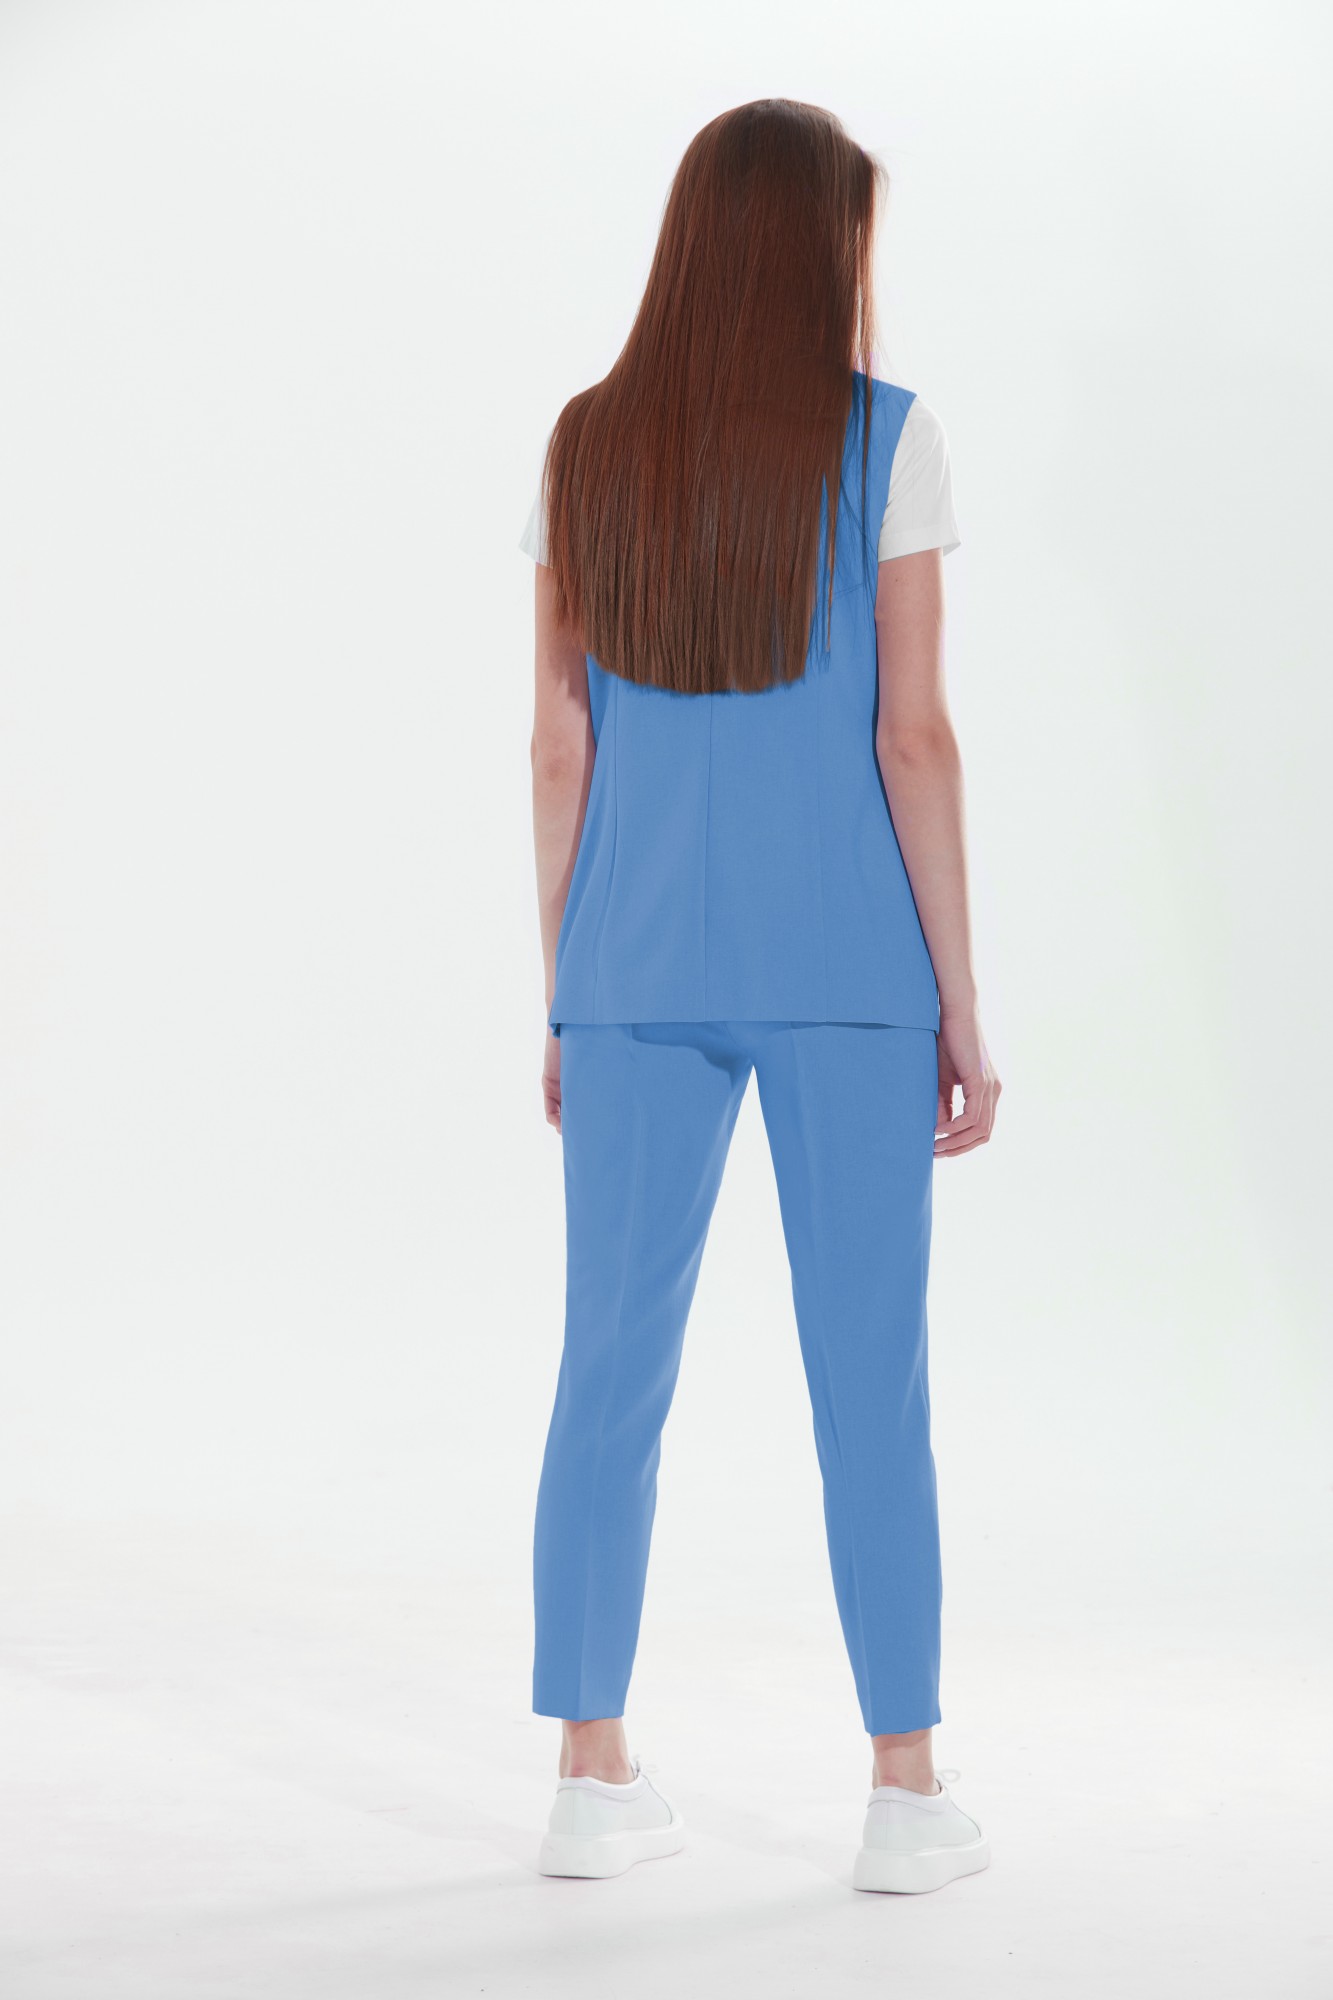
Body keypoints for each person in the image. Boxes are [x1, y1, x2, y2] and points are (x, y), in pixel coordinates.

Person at [519, 98, 1001, 1895]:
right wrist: (959, 1000)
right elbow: (912, 734)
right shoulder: (888, 438)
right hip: (846, 973)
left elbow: (559, 742)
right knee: (869, 1382)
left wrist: (565, 988)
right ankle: (902, 1792)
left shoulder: (588, 443)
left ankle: (588, 1776)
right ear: (822, 245)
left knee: (606, 1370)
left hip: (631, 968)